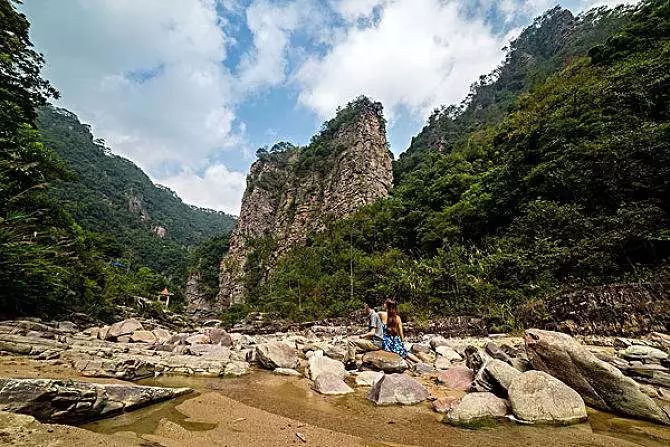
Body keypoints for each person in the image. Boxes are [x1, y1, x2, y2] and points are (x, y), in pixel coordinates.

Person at [344, 299, 384, 367]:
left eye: (364, 307)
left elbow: (372, 332)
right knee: (352, 349)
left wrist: (362, 336)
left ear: (367, 306)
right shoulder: (374, 315)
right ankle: (348, 361)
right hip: (377, 342)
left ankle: (352, 364)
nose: (364, 309)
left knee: (350, 341)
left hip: (375, 343)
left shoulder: (373, 316)